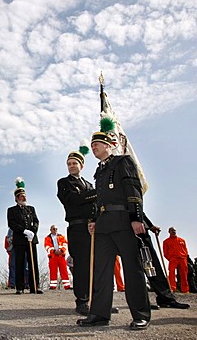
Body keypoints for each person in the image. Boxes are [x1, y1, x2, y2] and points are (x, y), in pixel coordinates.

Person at [77, 131, 151, 330]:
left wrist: (136, 218)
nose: (93, 148)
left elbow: (133, 190)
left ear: (109, 145)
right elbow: (100, 200)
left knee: (132, 269)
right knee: (101, 271)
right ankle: (100, 314)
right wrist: (94, 220)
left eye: (97, 144)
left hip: (123, 221)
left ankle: (141, 314)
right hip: (103, 225)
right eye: (92, 145)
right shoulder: (99, 171)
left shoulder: (122, 162)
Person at [57, 147, 96, 314]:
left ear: (82, 165)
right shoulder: (64, 183)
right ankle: (82, 300)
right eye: (69, 164)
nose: (71, 166)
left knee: (95, 264)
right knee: (81, 265)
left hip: (93, 227)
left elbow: (94, 206)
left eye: (74, 163)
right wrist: (95, 194)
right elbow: (72, 200)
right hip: (77, 227)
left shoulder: (88, 184)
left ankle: (97, 301)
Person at [141, 214, 190, 308]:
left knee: (149, 264)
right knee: (148, 262)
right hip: (133, 229)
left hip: (134, 226)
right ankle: (162, 298)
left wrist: (150, 225)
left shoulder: (181, 240)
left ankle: (164, 298)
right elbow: (134, 204)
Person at [7, 177, 42, 295]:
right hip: (20, 239)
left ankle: (35, 286)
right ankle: (20, 287)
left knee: (33, 263)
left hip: (32, 239)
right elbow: (12, 224)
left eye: (25, 195)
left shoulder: (31, 209)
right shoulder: (11, 210)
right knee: (20, 263)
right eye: (22, 196)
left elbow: (36, 221)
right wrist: (24, 231)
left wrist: (33, 231)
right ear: (17, 198)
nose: (24, 197)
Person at [44, 224, 71, 290]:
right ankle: (53, 286)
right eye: (54, 229)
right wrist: (54, 251)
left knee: (64, 271)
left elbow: (65, 244)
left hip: (61, 256)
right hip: (53, 257)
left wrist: (61, 250)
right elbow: (47, 247)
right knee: (53, 271)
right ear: (50, 230)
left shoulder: (61, 236)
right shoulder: (47, 238)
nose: (55, 230)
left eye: (56, 229)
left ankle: (67, 286)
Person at [163, 227, 189, 293]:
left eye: (174, 230)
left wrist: (185, 256)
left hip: (182, 258)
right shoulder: (166, 241)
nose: (173, 231)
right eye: (172, 230)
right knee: (171, 273)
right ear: (169, 232)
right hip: (173, 259)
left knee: (184, 274)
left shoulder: (182, 240)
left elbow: (185, 250)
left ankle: (185, 290)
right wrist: (170, 258)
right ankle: (172, 288)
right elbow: (165, 253)